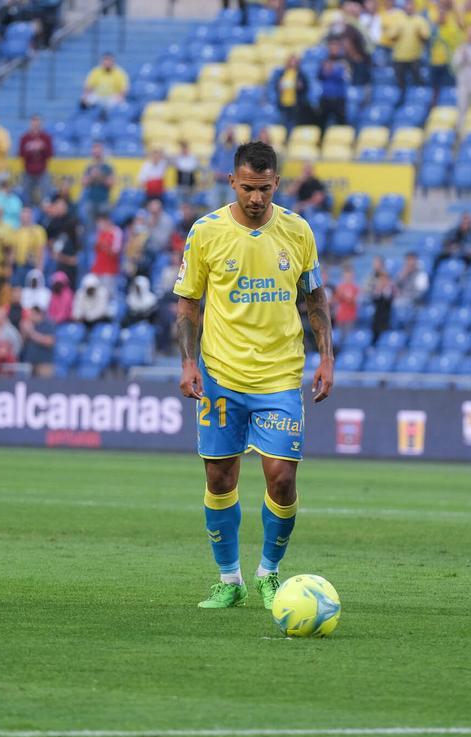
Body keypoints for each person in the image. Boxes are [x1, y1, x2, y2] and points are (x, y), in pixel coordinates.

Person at [174, 141, 333, 610]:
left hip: (280, 375)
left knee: (281, 478)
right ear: (232, 182)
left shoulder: (298, 231)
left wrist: (327, 358)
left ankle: (269, 573)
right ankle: (230, 579)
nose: (256, 198)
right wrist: (187, 362)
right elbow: (188, 303)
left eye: (264, 188)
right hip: (221, 374)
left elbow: (315, 298)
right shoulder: (206, 232)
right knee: (220, 477)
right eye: (247, 188)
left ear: (277, 183)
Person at [387, 0, 429, 102]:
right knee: (400, 82)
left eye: (411, 5)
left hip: (415, 56)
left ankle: (419, 101)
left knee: (417, 80)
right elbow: (390, 36)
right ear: (404, 7)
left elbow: (426, 37)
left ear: (414, 7)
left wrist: (419, 34)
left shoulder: (420, 20)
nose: (409, 8)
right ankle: (401, 101)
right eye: (407, 5)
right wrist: (397, 33)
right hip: (399, 57)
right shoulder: (398, 20)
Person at [18, 115, 54, 205]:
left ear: (41, 124)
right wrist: (31, 149)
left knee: (46, 196)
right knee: (26, 197)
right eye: (34, 122)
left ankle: (45, 212)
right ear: (30, 123)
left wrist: (42, 148)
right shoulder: (25, 138)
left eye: (37, 123)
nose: (35, 125)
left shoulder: (46, 137)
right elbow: (21, 154)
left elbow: (50, 154)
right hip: (28, 171)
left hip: (42, 171)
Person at [79, 142, 115, 222]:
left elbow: (111, 183)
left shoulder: (107, 167)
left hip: (104, 201)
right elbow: (83, 183)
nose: (97, 154)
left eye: (99, 151)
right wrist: (91, 176)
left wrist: (100, 176)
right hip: (91, 201)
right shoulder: (89, 167)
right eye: (95, 151)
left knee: (104, 224)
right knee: (89, 224)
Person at [319, 40, 351, 128]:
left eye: (335, 48)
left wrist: (332, 71)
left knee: (341, 123)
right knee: (322, 123)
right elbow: (320, 75)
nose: (333, 50)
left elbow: (346, 77)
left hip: (339, 97)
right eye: (331, 48)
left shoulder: (344, 62)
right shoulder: (324, 61)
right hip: (326, 97)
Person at [11, 207, 47, 284]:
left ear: (31, 216)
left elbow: (41, 250)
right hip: (20, 266)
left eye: (27, 213)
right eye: (23, 214)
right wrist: (10, 266)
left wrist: (40, 268)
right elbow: (13, 250)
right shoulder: (17, 231)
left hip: (33, 266)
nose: (24, 216)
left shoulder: (38, 230)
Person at [18, 305, 55, 378]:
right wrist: (23, 331)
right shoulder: (30, 324)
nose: (30, 317)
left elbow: (50, 341)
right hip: (29, 363)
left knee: (45, 384)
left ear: (39, 314)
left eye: (32, 314)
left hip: (44, 364)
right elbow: (22, 343)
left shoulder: (48, 324)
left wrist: (31, 332)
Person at [333, 263, 360, 333]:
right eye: (346, 276)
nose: (348, 278)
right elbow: (336, 300)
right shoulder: (340, 287)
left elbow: (356, 301)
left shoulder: (355, 288)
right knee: (339, 335)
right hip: (340, 317)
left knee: (349, 336)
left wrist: (348, 298)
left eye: (349, 276)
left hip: (350, 317)